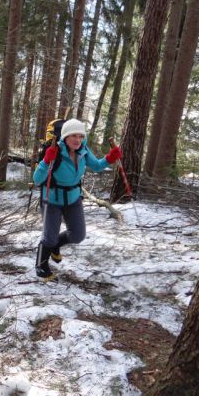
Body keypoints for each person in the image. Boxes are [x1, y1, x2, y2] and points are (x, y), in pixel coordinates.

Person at [32, 118, 122, 279]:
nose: (77, 139)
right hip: (52, 199)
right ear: (65, 137)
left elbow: (97, 165)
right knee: (49, 237)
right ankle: (41, 265)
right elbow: (37, 179)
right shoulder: (55, 152)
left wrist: (110, 158)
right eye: (73, 135)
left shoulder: (83, 150)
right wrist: (46, 161)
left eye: (80, 136)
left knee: (78, 235)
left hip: (73, 199)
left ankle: (55, 246)